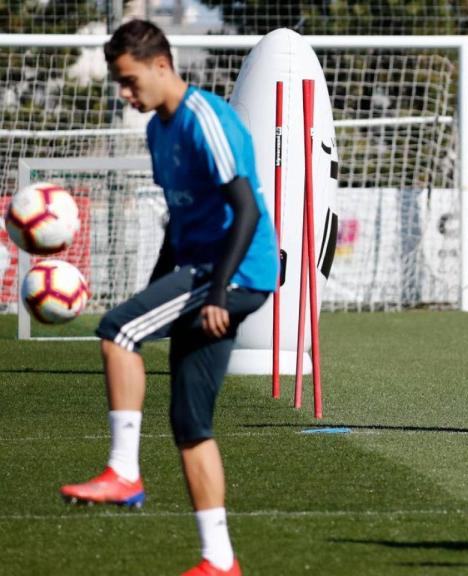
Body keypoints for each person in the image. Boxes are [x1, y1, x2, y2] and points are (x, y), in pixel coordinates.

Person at [59, 20, 278, 576]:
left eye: (130, 81)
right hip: (208, 273)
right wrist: (156, 290)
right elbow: (179, 224)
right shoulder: (159, 131)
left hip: (236, 274)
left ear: (162, 65)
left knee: (116, 332)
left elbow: (247, 211)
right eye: (118, 84)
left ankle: (124, 472)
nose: (125, 94)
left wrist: (220, 290)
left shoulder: (207, 120)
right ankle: (219, 560)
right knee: (191, 425)